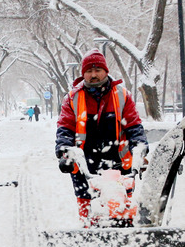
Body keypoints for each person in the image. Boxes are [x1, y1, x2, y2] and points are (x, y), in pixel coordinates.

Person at [54, 48, 147, 226]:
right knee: (87, 209)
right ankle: (87, 235)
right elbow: (65, 128)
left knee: (121, 209)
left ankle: (125, 237)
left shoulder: (121, 96)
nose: (93, 75)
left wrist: (140, 148)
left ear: (106, 71)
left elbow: (134, 125)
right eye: (89, 71)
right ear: (83, 74)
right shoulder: (72, 98)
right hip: (85, 164)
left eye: (97, 70)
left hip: (118, 162)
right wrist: (65, 152)